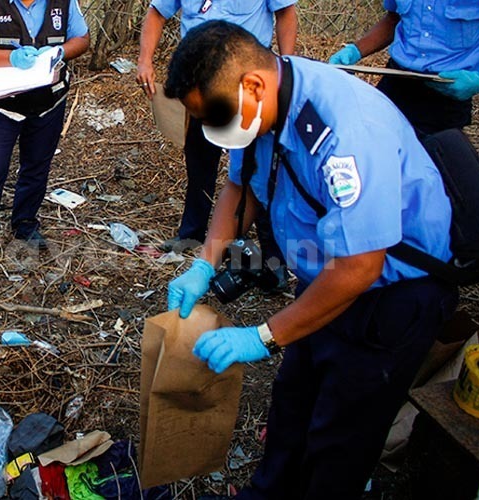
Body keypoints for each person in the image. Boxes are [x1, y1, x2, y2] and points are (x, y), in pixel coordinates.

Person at [164, 21, 459, 499]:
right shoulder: (262, 104)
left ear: (253, 86)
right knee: (292, 407)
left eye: (215, 117)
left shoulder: (344, 132)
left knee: (339, 438)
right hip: (324, 277)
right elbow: (240, 190)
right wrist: (204, 264)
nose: (214, 132)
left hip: (391, 296)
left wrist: (266, 335)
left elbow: (361, 266)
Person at [136, 0, 297, 259]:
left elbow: (286, 13)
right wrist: (145, 60)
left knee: (258, 167)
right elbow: (157, 13)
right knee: (199, 161)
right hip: (199, 79)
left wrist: (286, 66)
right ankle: (191, 234)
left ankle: (270, 256)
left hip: (248, 81)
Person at [0, 0, 90, 257]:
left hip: (50, 101)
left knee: (37, 166)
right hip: (1, 106)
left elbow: (82, 38)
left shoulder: (64, 2)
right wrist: (10, 58)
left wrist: (60, 51)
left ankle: (25, 225)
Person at [327, 0, 479, 135]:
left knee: (432, 175)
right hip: (395, 81)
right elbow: (393, 20)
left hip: (447, 93)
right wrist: (354, 51)